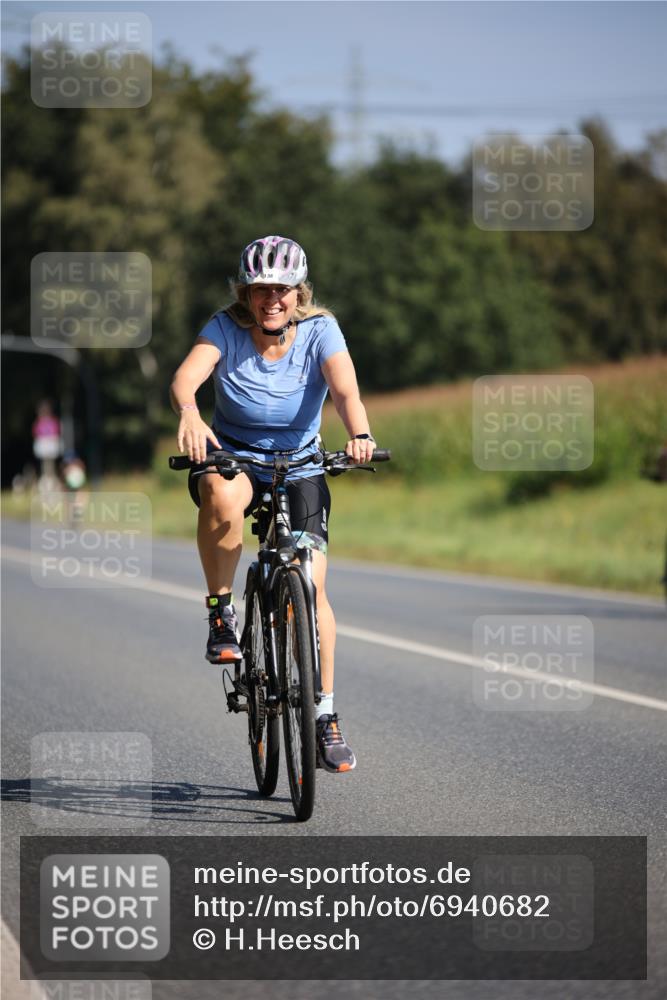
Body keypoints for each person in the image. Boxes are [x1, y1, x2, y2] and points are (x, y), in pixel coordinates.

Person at [170, 236, 376, 773]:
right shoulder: (224, 328)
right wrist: (190, 413)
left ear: (298, 292)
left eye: (282, 290)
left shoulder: (320, 330)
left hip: (302, 466)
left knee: (311, 583)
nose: (271, 300)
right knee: (217, 490)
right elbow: (185, 379)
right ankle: (221, 615)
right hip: (236, 460)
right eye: (260, 290)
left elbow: (346, 392)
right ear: (245, 293)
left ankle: (325, 715)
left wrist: (361, 435)